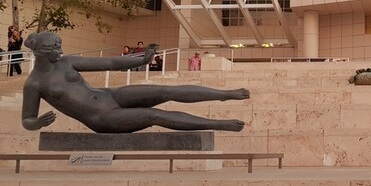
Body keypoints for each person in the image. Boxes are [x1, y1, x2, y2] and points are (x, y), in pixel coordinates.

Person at [21, 33, 249, 133]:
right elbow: (27, 120)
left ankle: (224, 93)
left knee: (163, 90)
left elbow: (110, 63)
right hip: (101, 118)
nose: (60, 51)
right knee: (154, 115)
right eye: (54, 48)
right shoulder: (34, 84)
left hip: (110, 96)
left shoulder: (67, 62)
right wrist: (37, 122)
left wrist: (143, 59)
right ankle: (219, 124)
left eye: (60, 46)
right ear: (40, 52)